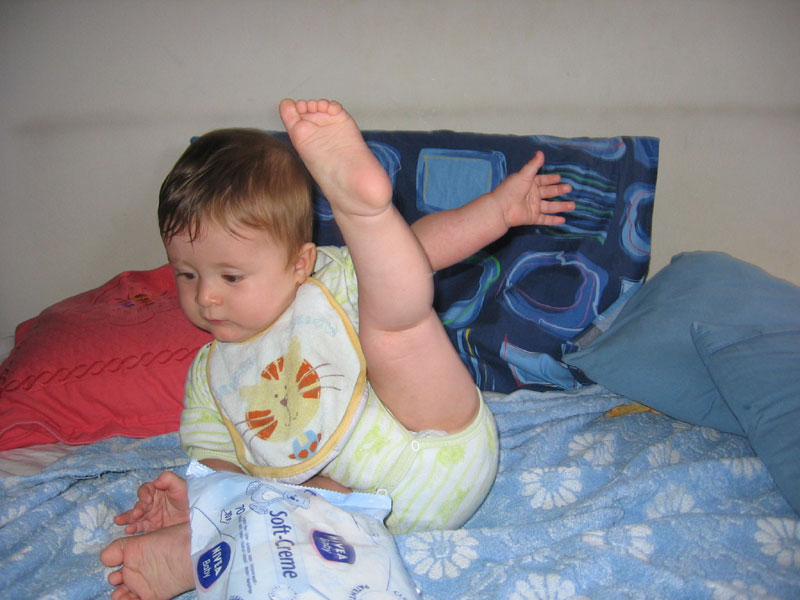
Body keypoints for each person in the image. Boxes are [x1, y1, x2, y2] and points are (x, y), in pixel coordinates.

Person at [100, 98, 574, 600]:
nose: (206, 297)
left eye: (231, 276)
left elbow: (422, 249)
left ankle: (366, 214)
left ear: (299, 263)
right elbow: (218, 462)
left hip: (443, 445)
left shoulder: (328, 281)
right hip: (350, 518)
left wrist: (497, 210)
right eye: (187, 275)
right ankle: (188, 553)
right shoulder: (210, 376)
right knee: (272, 503)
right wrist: (202, 504)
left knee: (393, 322)